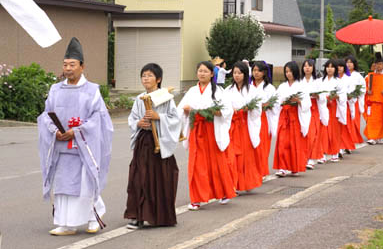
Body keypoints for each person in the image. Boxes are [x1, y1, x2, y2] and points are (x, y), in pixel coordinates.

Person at [37, 37, 113, 235]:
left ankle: (93, 217)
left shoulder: (92, 91)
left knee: (85, 184)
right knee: (63, 186)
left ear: (82, 66)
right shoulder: (55, 90)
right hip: (62, 146)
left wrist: (77, 131)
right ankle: (66, 223)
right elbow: (46, 114)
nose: (68, 68)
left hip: (83, 145)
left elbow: (99, 118)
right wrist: (55, 131)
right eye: (65, 64)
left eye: (72, 64)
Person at [124, 63, 181, 229]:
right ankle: (136, 215)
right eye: (143, 76)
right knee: (138, 178)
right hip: (144, 142)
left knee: (159, 179)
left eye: (149, 75)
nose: (146, 79)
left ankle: (161, 216)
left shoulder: (165, 98)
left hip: (159, 144)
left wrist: (158, 116)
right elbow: (132, 118)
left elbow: (175, 120)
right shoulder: (139, 98)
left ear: (158, 79)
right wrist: (138, 123)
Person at [177, 61, 236, 211]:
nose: (202, 73)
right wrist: (185, 111)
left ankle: (223, 192)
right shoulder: (191, 91)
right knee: (196, 165)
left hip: (212, 129)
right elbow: (180, 110)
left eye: (205, 71)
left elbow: (227, 110)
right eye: (200, 71)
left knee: (217, 163)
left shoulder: (219, 92)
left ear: (212, 74)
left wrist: (212, 112)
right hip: (197, 131)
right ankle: (196, 198)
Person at [225, 61, 262, 192]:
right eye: (234, 73)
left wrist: (247, 109)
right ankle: (233, 183)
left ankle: (246, 183)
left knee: (246, 156)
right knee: (232, 156)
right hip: (232, 126)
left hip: (246, 125)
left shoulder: (252, 90)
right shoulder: (228, 90)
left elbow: (257, 109)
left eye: (239, 73)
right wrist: (231, 110)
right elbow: (223, 107)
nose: (237, 75)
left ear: (245, 74)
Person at [273, 61, 311, 177]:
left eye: (290, 71)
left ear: (295, 72)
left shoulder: (301, 86)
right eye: (286, 72)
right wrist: (281, 102)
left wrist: (298, 101)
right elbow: (276, 100)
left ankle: (294, 166)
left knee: (294, 142)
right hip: (284, 115)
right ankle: (283, 167)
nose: (288, 74)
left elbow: (307, 103)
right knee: (282, 142)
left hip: (295, 116)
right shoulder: (282, 86)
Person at [251, 61, 279, 178]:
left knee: (262, 145)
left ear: (264, 73)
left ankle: (261, 170)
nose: (256, 73)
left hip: (263, 118)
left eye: (259, 71)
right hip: (251, 118)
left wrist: (265, 105)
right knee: (252, 146)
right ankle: (252, 171)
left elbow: (275, 104)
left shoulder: (269, 88)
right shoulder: (248, 86)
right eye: (254, 70)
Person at [300, 59, 326, 169]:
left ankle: (311, 158)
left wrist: (318, 96)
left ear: (313, 68)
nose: (307, 68)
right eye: (305, 66)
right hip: (301, 109)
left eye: (309, 66)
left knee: (312, 134)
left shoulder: (318, 82)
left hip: (313, 109)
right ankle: (303, 157)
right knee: (303, 135)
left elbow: (323, 96)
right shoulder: (299, 82)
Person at [319, 60, 346, 162]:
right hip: (323, 106)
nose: (329, 69)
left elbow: (343, 95)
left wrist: (336, 96)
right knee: (323, 131)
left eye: (332, 67)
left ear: (335, 69)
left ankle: (335, 152)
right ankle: (322, 154)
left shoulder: (339, 81)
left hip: (334, 107)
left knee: (334, 131)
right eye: (328, 67)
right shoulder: (321, 81)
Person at [336, 60, 356, 156]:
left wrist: (349, 96)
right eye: (337, 66)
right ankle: (338, 147)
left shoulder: (348, 79)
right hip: (335, 106)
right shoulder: (333, 79)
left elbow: (352, 92)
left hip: (345, 106)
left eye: (341, 66)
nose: (339, 68)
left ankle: (344, 145)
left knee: (345, 126)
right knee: (336, 128)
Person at [346, 55, 366, 146]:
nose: (349, 64)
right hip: (345, 102)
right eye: (347, 62)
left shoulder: (358, 76)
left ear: (354, 64)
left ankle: (353, 139)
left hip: (354, 102)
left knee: (354, 121)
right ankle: (346, 140)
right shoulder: (342, 75)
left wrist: (354, 95)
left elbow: (362, 89)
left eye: (351, 62)